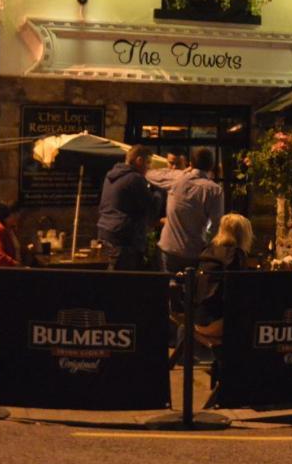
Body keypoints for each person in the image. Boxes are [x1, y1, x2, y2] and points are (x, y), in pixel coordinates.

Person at [147, 146, 224, 274]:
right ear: (211, 166)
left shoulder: (177, 178)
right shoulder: (214, 190)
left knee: (168, 289)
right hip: (195, 250)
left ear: (190, 163)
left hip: (169, 247)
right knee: (193, 289)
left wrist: (184, 172)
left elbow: (150, 174)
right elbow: (216, 225)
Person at [194, 213, 266, 341]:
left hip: (197, 317)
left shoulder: (209, 250)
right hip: (217, 321)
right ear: (243, 234)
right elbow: (238, 293)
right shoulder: (235, 255)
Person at [97, 145, 158, 270]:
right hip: (124, 236)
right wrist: (158, 192)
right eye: (148, 162)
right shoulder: (135, 178)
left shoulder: (111, 176)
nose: (149, 167)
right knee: (124, 278)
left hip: (106, 231)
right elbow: (150, 206)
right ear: (139, 160)